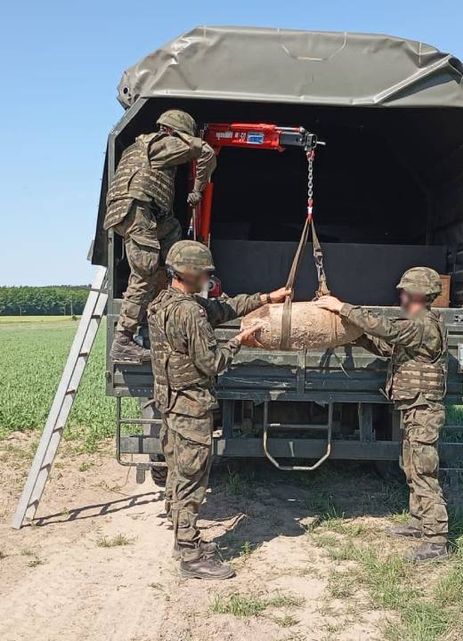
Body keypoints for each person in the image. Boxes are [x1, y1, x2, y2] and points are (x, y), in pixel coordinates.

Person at [148, 240, 291, 579]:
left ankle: (182, 538)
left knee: (176, 470)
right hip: (191, 405)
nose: (209, 279)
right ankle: (190, 554)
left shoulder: (163, 303)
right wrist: (239, 342)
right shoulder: (190, 313)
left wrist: (265, 298)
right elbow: (211, 363)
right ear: (192, 273)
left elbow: (223, 309)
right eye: (206, 273)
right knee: (191, 478)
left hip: (170, 402)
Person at [314, 267, 449, 562]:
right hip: (415, 407)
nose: (399, 295)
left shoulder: (422, 323)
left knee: (424, 471)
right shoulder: (417, 325)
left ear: (415, 294)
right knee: (412, 466)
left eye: (403, 291)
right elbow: (386, 346)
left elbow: (387, 330)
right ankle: (418, 523)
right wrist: (354, 336)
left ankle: (436, 541)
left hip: (423, 409)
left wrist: (342, 307)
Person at [104, 109, 218, 363]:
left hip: (146, 212)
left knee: (173, 244)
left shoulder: (138, 146)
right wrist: (198, 190)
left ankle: (164, 308)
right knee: (145, 269)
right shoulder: (163, 144)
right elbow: (207, 152)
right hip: (138, 211)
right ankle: (123, 339)